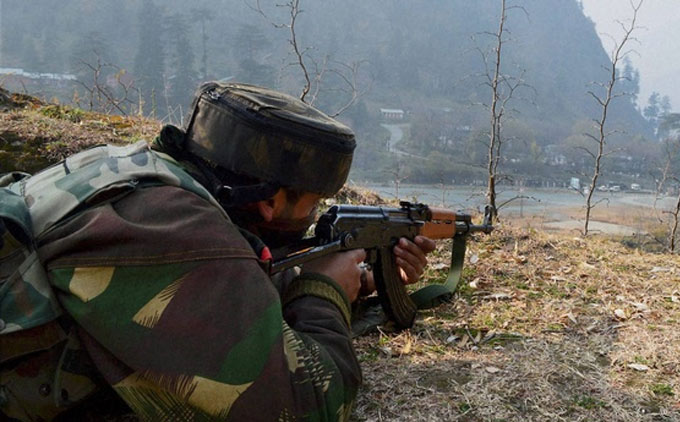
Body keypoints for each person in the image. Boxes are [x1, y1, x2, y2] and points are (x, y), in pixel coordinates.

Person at [0, 82, 435, 421]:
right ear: (269, 201)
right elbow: (307, 406)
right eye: (313, 200)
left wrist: (361, 281)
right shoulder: (174, 230)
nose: (315, 212)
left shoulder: (135, 174)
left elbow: (231, 281)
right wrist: (324, 290)